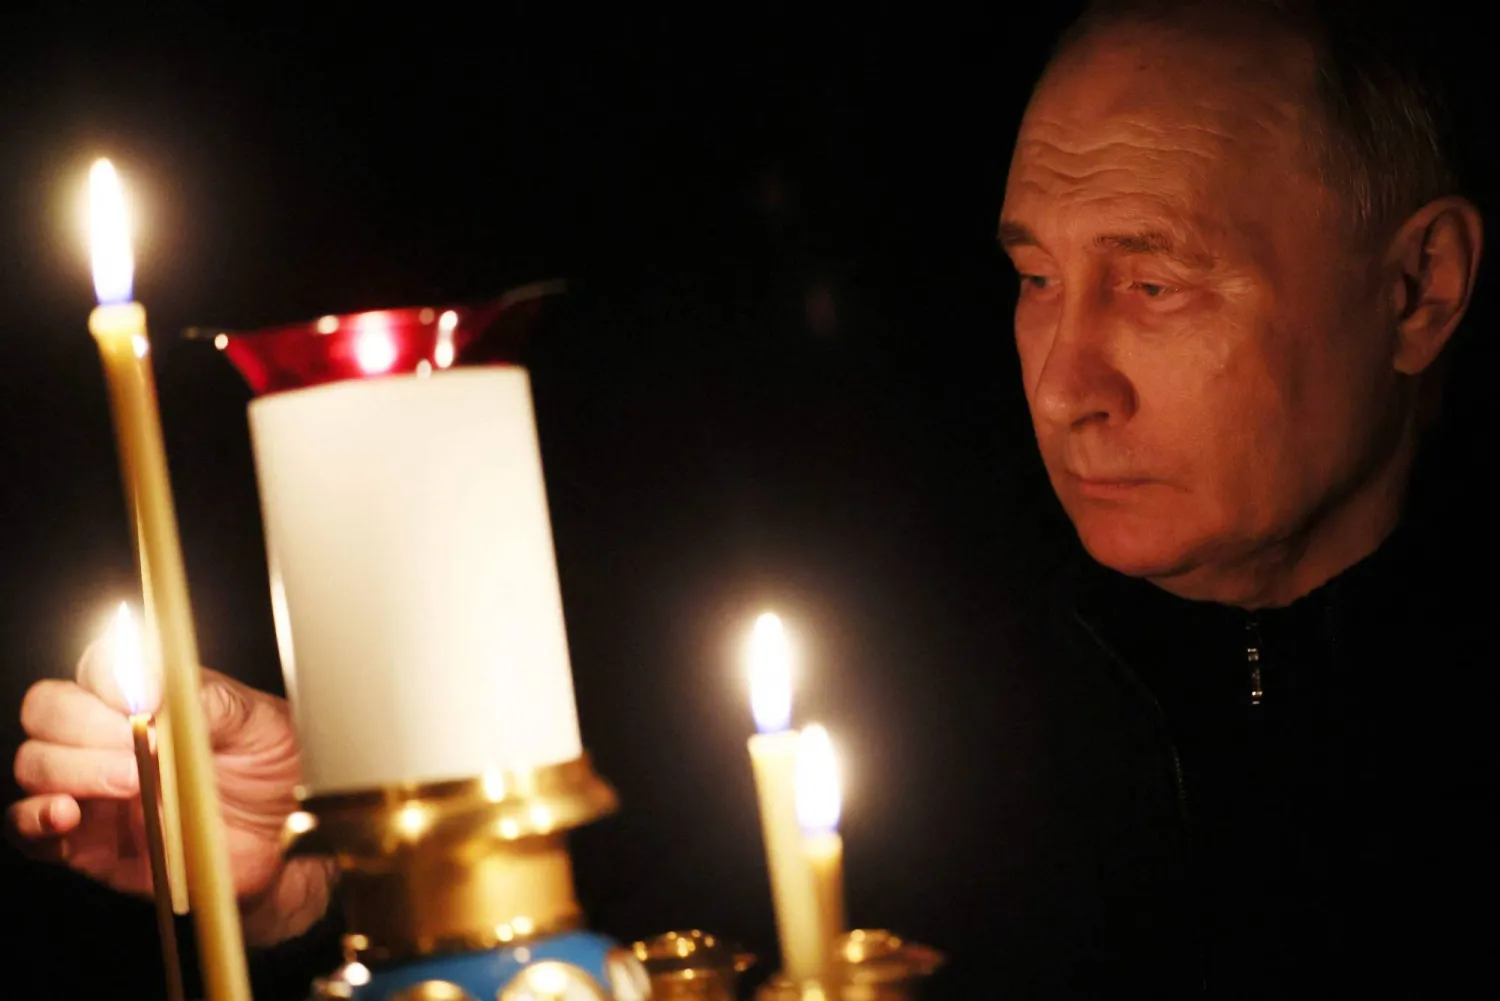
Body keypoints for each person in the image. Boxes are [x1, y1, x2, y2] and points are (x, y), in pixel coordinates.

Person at [9, 0, 1493, 996]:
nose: (1064, 378)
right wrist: (326, 869)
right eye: (1035, 278)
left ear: (1417, 289)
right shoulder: (847, 660)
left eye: (1156, 285)